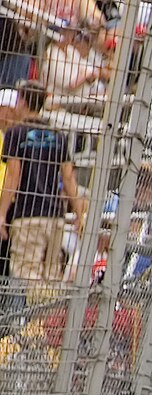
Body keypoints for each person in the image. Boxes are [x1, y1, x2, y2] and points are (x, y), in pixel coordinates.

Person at [0, 82, 85, 307]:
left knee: (23, 276)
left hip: (28, 214)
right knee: (50, 279)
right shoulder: (57, 135)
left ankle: (17, 330)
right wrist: (78, 214)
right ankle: (42, 329)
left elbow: (13, 175)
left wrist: (1, 214)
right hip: (54, 216)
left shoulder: (16, 133)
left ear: (23, 102)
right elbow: (68, 177)